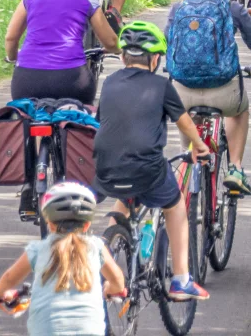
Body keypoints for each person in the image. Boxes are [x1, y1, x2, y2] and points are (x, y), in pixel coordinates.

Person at [91, 21, 211, 301]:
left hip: (106, 167)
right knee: (175, 204)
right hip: (146, 169)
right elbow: (184, 122)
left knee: (122, 200)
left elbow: (103, 122)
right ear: (155, 59)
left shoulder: (109, 82)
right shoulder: (161, 85)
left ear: (122, 57)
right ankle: (181, 279)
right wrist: (199, 145)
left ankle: (104, 256)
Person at [167, 0, 251, 196]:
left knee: (190, 146)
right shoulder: (232, 8)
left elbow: (166, 44)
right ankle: (235, 168)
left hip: (183, 94)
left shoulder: (178, 8)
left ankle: (185, 171)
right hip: (223, 93)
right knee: (240, 111)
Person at [0, 182, 127, 336]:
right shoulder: (96, 247)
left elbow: (9, 278)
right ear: (87, 225)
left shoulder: (37, 250)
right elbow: (118, 280)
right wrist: (111, 289)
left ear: (50, 224)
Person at [6, 0, 122, 104]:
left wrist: (13, 58)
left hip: (26, 80)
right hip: (71, 80)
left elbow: (11, 38)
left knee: (24, 119)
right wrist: (117, 49)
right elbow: (110, 41)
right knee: (82, 122)